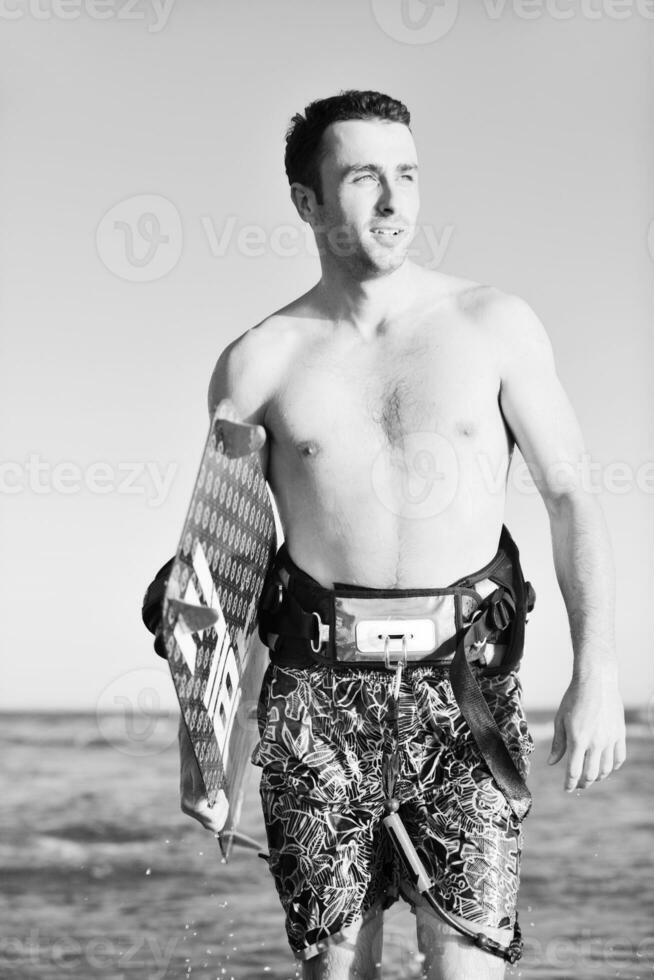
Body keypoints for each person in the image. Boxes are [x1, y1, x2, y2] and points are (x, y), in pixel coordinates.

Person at [153, 90, 626, 980]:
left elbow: (571, 497)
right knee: (336, 970)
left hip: (466, 694)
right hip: (314, 701)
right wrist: (208, 749)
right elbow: (226, 567)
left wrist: (598, 670)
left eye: (407, 175)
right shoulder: (257, 365)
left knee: (467, 962)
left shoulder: (495, 326)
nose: (394, 201)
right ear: (307, 202)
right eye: (364, 177)